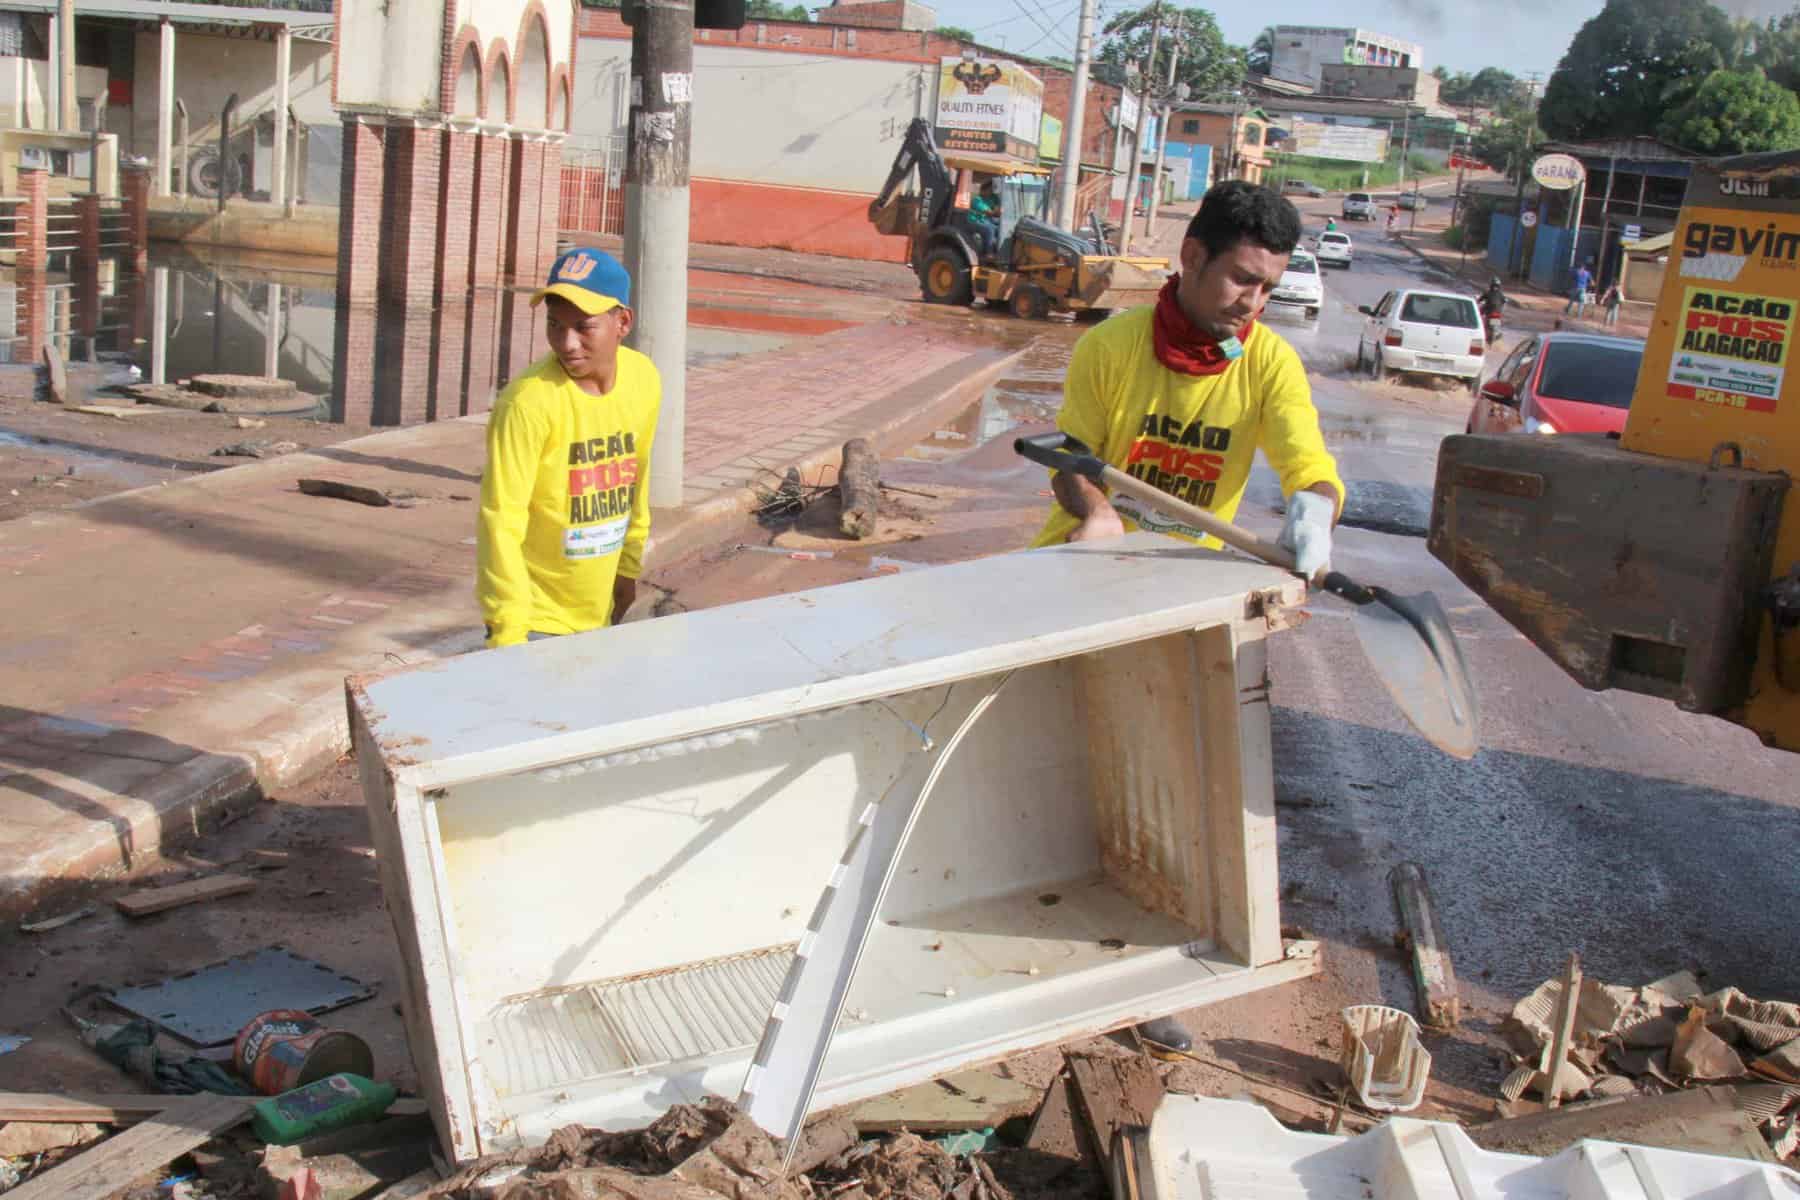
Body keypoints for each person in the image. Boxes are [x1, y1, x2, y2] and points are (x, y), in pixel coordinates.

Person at [1028, 180, 1346, 1050]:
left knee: (1164, 802)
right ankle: (1036, 952)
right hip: (1078, 575)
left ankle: (1143, 984)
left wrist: (1314, 513)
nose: (1253, 302)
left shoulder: (1267, 364)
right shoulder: (1112, 346)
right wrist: (1098, 515)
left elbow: (1308, 463)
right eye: (1241, 278)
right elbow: (1071, 458)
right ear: (1192, 256)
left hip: (1180, 602)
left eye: (1268, 287)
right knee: (1053, 778)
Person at [477, 247, 660, 648]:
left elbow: (637, 481)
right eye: (555, 325)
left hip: (599, 613)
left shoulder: (643, 379)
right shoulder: (527, 403)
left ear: (622, 322)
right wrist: (508, 633)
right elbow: (501, 521)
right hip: (535, 622)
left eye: (583, 326)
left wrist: (628, 568)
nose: (567, 343)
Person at [969, 181, 1001, 260]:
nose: (990, 192)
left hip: (986, 220)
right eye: (989, 190)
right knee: (989, 229)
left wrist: (998, 210)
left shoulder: (993, 197)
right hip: (974, 221)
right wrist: (998, 211)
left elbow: (997, 209)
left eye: (991, 190)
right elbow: (990, 213)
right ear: (983, 190)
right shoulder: (977, 200)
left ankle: (999, 250)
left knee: (1000, 229)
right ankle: (988, 253)